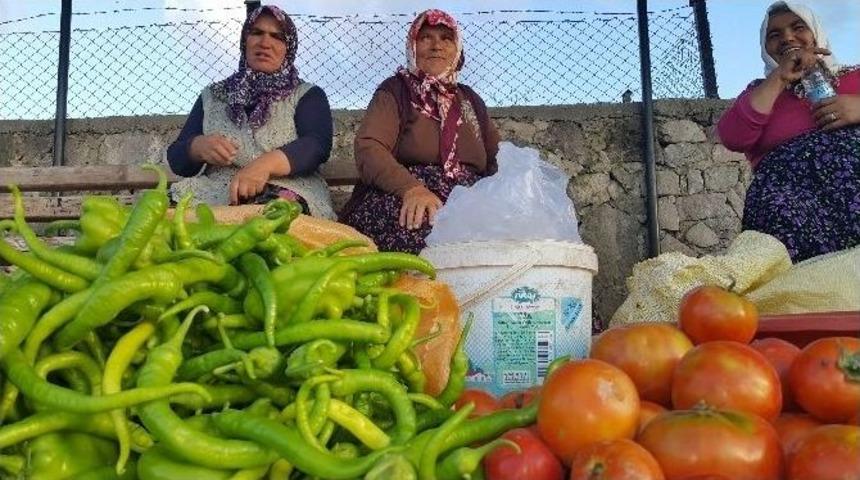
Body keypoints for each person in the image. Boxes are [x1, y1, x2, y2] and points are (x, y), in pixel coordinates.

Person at [339, 9, 500, 253]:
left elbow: (497, 157)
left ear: (457, 49)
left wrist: (505, 193)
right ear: (413, 46)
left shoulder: (470, 100)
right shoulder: (396, 90)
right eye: (426, 38)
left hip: (468, 197)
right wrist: (412, 189)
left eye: (446, 38)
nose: (436, 46)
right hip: (404, 191)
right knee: (423, 233)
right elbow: (370, 147)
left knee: (507, 234)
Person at [717, 1, 859, 262]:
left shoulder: (854, 77)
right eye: (775, 35)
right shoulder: (761, 92)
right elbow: (733, 136)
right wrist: (779, 78)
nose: (787, 38)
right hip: (790, 204)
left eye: (798, 27)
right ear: (766, 48)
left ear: (816, 33)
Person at [166, 5, 336, 219]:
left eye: (277, 37)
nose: (265, 43)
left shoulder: (306, 94)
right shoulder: (213, 96)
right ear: (244, 41)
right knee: (160, 215)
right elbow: (178, 159)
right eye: (256, 32)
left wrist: (264, 166)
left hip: (286, 187)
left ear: (288, 48)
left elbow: (317, 145)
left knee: (266, 216)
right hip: (214, 192)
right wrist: (196, 147)